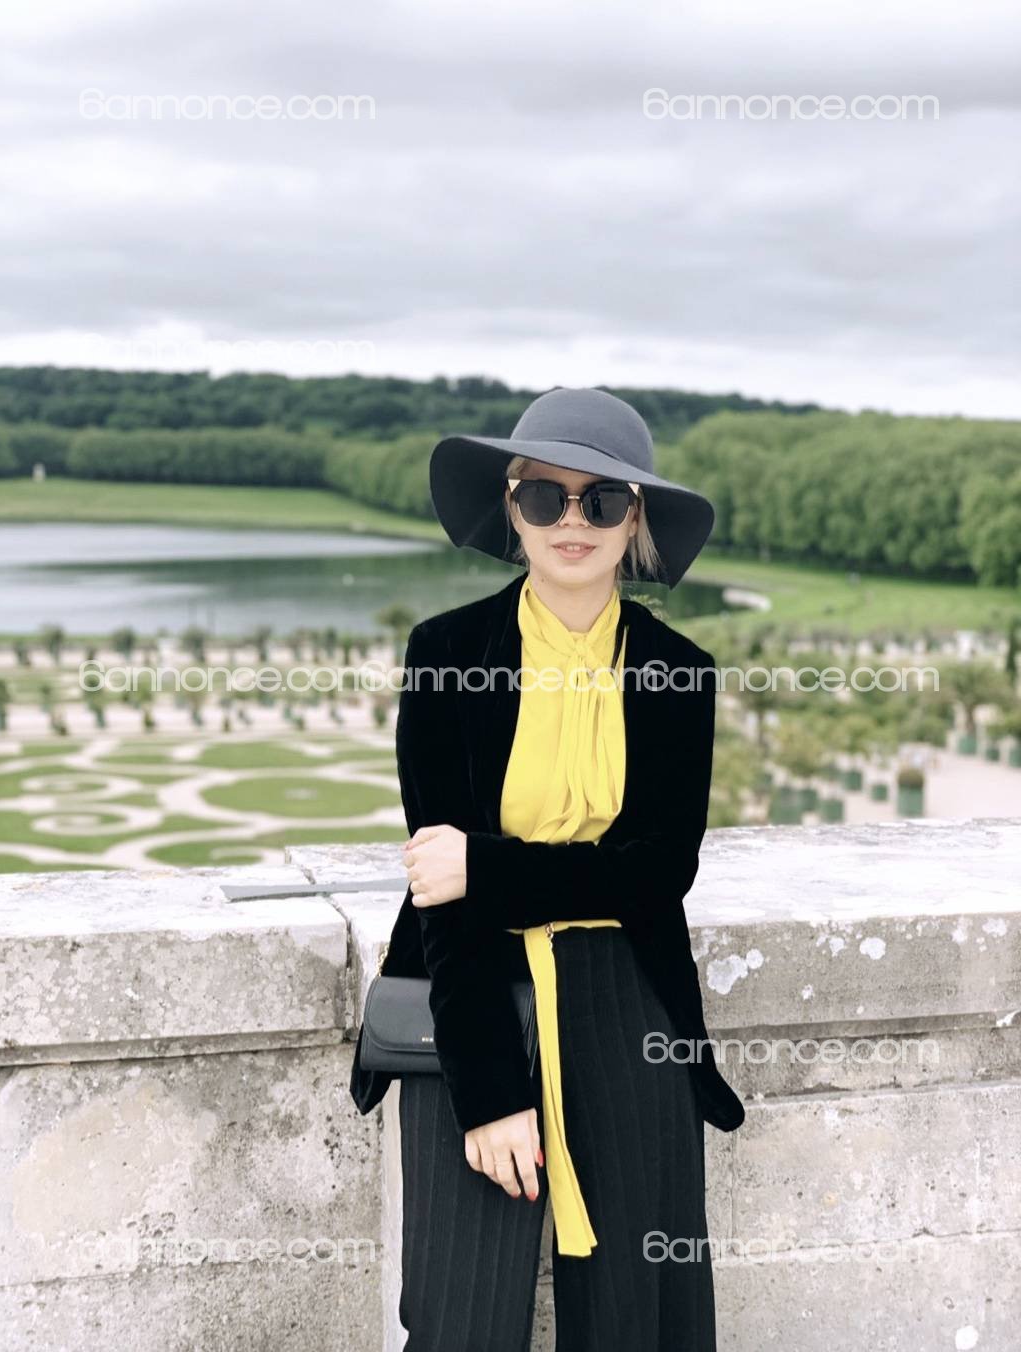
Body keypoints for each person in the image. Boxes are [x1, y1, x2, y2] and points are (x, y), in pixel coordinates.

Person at [349, 386, 745, 1351]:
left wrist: (485, 866)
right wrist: (491, 1093)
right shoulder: (445, 654)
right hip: (471, 993)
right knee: (461, 1318)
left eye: (601, 501)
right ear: (513, 509)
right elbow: (442, 898)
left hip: (629, 1000)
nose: (573, 522)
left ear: (635, 520)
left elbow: (658, 873)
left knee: (635, 1318)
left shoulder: (679, 671)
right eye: (545, 496)